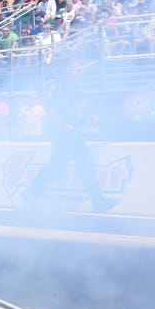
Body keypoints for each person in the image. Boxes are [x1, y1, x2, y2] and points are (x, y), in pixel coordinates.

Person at [26, 73, 117, 213]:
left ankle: (98, 200)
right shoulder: (58, 91)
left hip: (74, 136)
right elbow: (49, 107)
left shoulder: (75, 94)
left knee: (84, 167)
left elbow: (80, 113)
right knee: (57, 167)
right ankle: (32, 194)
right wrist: (63, 125)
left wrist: (92, 119)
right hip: (63, 137)